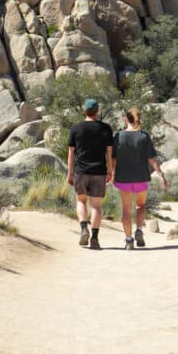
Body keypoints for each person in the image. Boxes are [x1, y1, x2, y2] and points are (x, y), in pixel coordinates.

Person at [112, 107, 167, 250]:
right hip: (141, 178)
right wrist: (161, 175)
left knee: (126, 209)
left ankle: (129, 240)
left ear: (125, 119)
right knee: (141, 206)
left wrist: (111, 174)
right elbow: (151, 158)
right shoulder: (144, 136)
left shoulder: (118, 136)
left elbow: (114, 159)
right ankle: (139, 230)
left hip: (123, 178)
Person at [67, 98, 114, 250]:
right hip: (99, 171)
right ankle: (94, 238)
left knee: (81, 201)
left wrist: (70, 173)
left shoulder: (75, 128)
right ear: (97, 111)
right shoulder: (105, 128)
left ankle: (83, 229)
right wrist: (110, 171)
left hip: (81, 171)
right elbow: (109, 152)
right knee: (96, 206)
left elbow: (71, 153)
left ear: (84, 111)